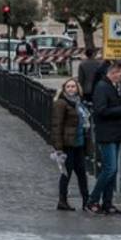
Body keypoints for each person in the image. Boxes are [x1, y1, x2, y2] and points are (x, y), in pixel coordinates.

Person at [88, 62, 121, 215]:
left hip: (114, 133)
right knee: (109, 169)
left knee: (113, 170)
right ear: (113, 73)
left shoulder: (110, 86)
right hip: (106, 134)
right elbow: (101, 110)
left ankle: (107, 202)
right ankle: (93, 200)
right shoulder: (102, 87)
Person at [50, 78, 91, 211]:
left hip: (79, 143)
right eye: (68, 87)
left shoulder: (79, 103)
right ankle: (62, 201)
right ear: (64, 89)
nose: (71, 89)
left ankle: (86, 201)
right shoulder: (61, 103)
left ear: (78, 88)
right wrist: (58, 147)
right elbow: (57, 125)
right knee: (66, 173)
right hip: (68, 144)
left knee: (82, 173)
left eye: (73, 86)